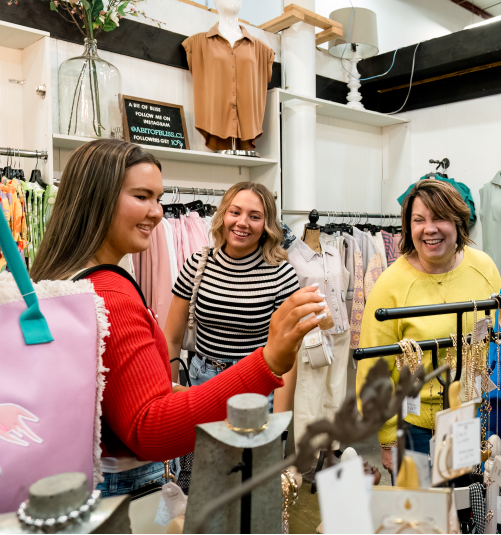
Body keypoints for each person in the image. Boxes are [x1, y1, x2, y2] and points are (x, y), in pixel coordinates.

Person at [30, 139, 326, 496]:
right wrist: (267, 362)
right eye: (142, 196)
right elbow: (150, 429)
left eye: (158, 198)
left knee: (248, 487)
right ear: (99, 198)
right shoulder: (114, 293)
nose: (157, 212)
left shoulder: (66, 279)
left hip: (95, 469)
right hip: (127, 478)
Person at [356, 179, 501, 474]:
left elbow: (500, 337)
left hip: (478, 420)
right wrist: (386, 439)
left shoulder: (483, 268)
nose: (429, 229)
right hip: (417, 430)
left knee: (477, 512)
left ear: (459, 223)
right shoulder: (391, 285)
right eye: (419, 220)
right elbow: (375, 370)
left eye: (439, 218)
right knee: (425, 518)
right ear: (408, 228)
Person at [164, 182, 300, 412]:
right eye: (235, 212)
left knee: (253, 449)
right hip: (202, 381)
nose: (242, 223)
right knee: (206, 449)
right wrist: (170, 392)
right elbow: (172, 337)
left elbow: (289, 355)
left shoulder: (281, 274)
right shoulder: (198, 263)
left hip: (255, 383)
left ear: (266, 225)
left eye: (254, 216)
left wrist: (281, 424)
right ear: (223, 215)